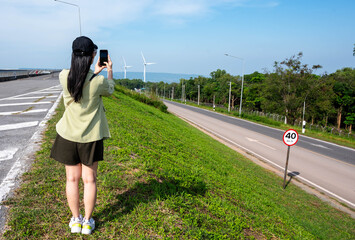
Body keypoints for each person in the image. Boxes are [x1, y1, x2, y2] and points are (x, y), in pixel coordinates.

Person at [50, 36, 114, 235]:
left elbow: (80, 82)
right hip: (90, 138)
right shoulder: (99, 82)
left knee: (71, 179)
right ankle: (87, 222)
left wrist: (92, 73)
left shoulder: (63, 76)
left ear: (73, 54)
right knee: (90, 180)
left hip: (68, 135)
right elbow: (110, 90)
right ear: (93, 55)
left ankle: (75, 220)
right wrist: (108, 70)